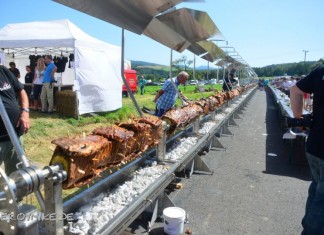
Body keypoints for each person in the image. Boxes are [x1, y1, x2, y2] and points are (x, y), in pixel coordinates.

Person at [290, 64, 324, 235]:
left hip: (314, 144)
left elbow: (295, 90)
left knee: (317, 188)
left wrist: (299, 120)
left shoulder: (321, 70)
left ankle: (308, 227)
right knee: (322, 199)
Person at [0, 64, 30, 176]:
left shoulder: (3, 70)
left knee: (17, 176)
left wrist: (25, 112)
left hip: (15, 134)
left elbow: (21, 90)